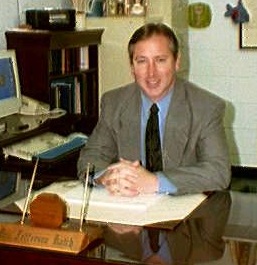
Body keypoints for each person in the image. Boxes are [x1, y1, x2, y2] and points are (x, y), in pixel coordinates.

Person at [77, 23, 231, 196]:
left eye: (160, 60)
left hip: (184, 212)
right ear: (132, 67)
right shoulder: (114, 103)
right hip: (129, 208)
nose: (152, 73)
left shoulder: (206, 107)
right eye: (142, 61)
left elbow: (218, 171)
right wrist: (105, 177)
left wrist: (155, 182)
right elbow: (92, 156)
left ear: (177, 62)